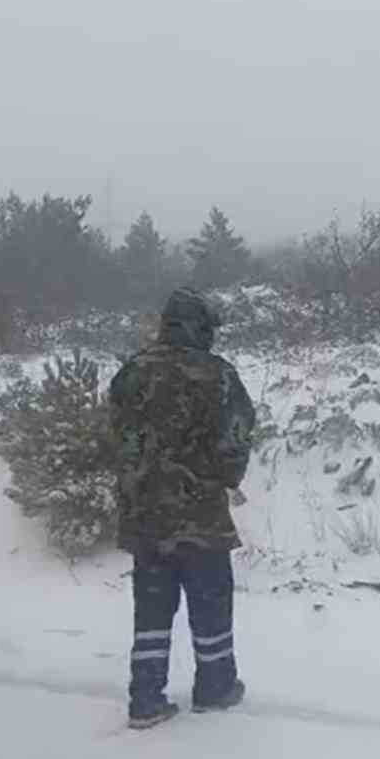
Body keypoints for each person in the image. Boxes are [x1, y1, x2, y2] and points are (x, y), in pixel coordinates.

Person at [108, 287, 256, 729]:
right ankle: (215, 688)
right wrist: (226, 477)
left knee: (152, 608)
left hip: (144, 512)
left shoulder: (131, 371)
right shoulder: (218, 374)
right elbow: (237, 435)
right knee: (210, 603)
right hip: (199, 513)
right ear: (200, 326)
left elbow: (118, 435)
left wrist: (138, 477)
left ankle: (145, 698)